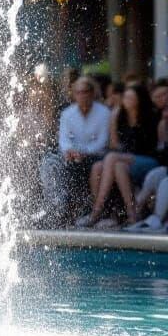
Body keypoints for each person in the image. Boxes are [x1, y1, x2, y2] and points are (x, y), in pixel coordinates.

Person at [79, 83, 158, 228]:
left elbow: (147, 147)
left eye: (130, 97)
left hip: (147, 159)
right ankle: (131, 214)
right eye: (125, 97)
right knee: (99, 167)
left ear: (138, 99)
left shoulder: (149, 118)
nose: (125, 100)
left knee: (111, 158)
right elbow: (115, 146)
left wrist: (124, 156)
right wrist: (113, 120)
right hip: (124, 160)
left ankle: (96, 211)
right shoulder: (121, 116)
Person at [38, 76, 111, 227]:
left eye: (85, 91)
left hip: (97, 156)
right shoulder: (68, 114)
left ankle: (93, 212)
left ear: (92, 92)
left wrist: (83, 151)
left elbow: (102, 141)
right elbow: (64, 140)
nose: (82, 95)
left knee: (91, 166)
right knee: (50, 162)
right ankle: (56, 208)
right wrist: (70, 151)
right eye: (78, 92)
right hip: (74, 156)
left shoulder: (103, 112)